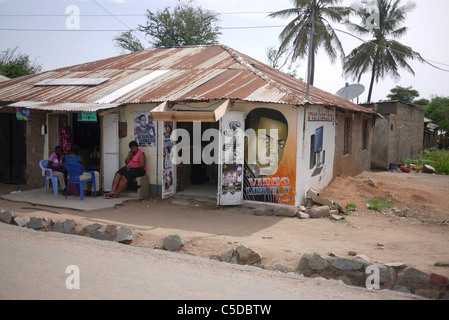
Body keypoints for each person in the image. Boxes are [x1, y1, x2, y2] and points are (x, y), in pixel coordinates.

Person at [243, 108, 288, 203]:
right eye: (266, 140)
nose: (274, 150)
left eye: (280, 144)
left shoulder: (265, 191)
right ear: (246, 141)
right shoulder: (239, 184)